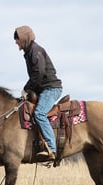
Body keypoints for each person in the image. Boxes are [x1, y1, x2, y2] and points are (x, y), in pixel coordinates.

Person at [14, 25, 62, 161]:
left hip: (51, 89)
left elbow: (38, 74)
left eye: (17, 39)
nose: (15, 42)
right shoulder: (30, 52)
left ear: (24, 38)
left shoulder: (35, 51)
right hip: (43, 89)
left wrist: (26, 88)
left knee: (39, 113)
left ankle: (52, 149)